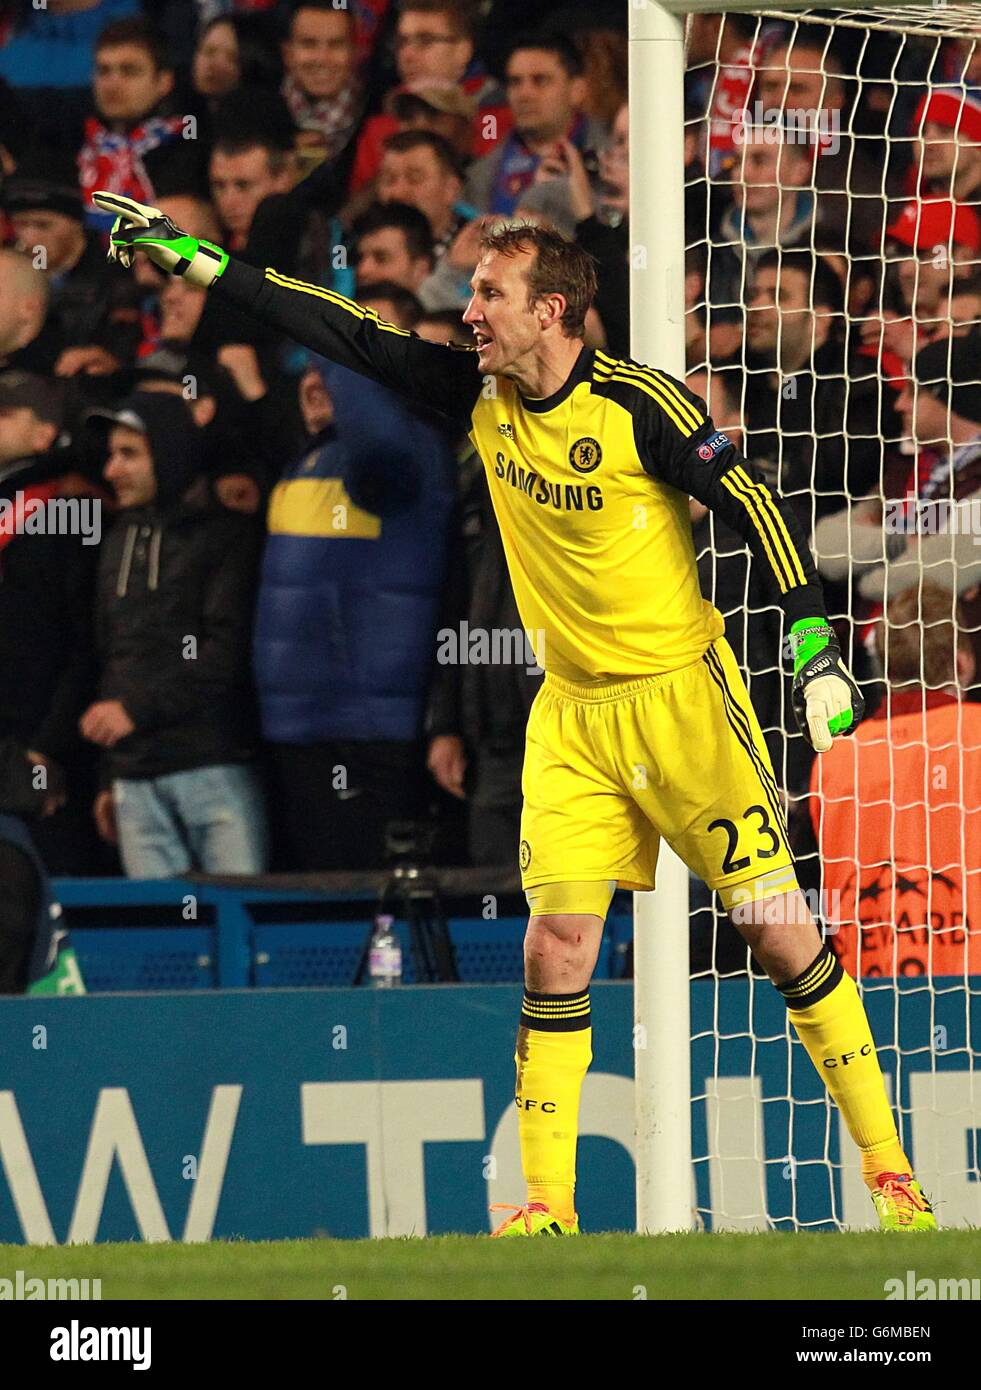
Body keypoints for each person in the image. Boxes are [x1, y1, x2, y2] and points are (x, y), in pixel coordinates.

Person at [97, 189, 936, 1235]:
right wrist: (203, 262)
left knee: (778, 932)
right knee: (555, 947)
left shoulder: (641, 403)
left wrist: (812, 639)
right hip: (574, 717)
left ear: (553, 311)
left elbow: (754, 501)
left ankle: (893, 1175)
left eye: (490, 295)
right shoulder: (473, 394)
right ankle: (545, 1208)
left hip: (681, 703)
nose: (469, 314)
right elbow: (338, 326)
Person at [83, 391, 266, 877]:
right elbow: (113, 659)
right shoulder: (117, 538)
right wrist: (110, 775)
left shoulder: (227, 536)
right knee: (164, 942)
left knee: (238, 933)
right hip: (135, 781)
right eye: (111, 455)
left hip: (212, 765)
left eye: (129, 454)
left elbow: (225, 655)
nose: (112, 470)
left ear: (168, 451)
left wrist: (135, 712)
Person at [812, 583, 981, 977]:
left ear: (885, 667)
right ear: (960, 663)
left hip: (864, 995)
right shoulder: (975, 735)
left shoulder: (835, 757)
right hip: (972, 993)